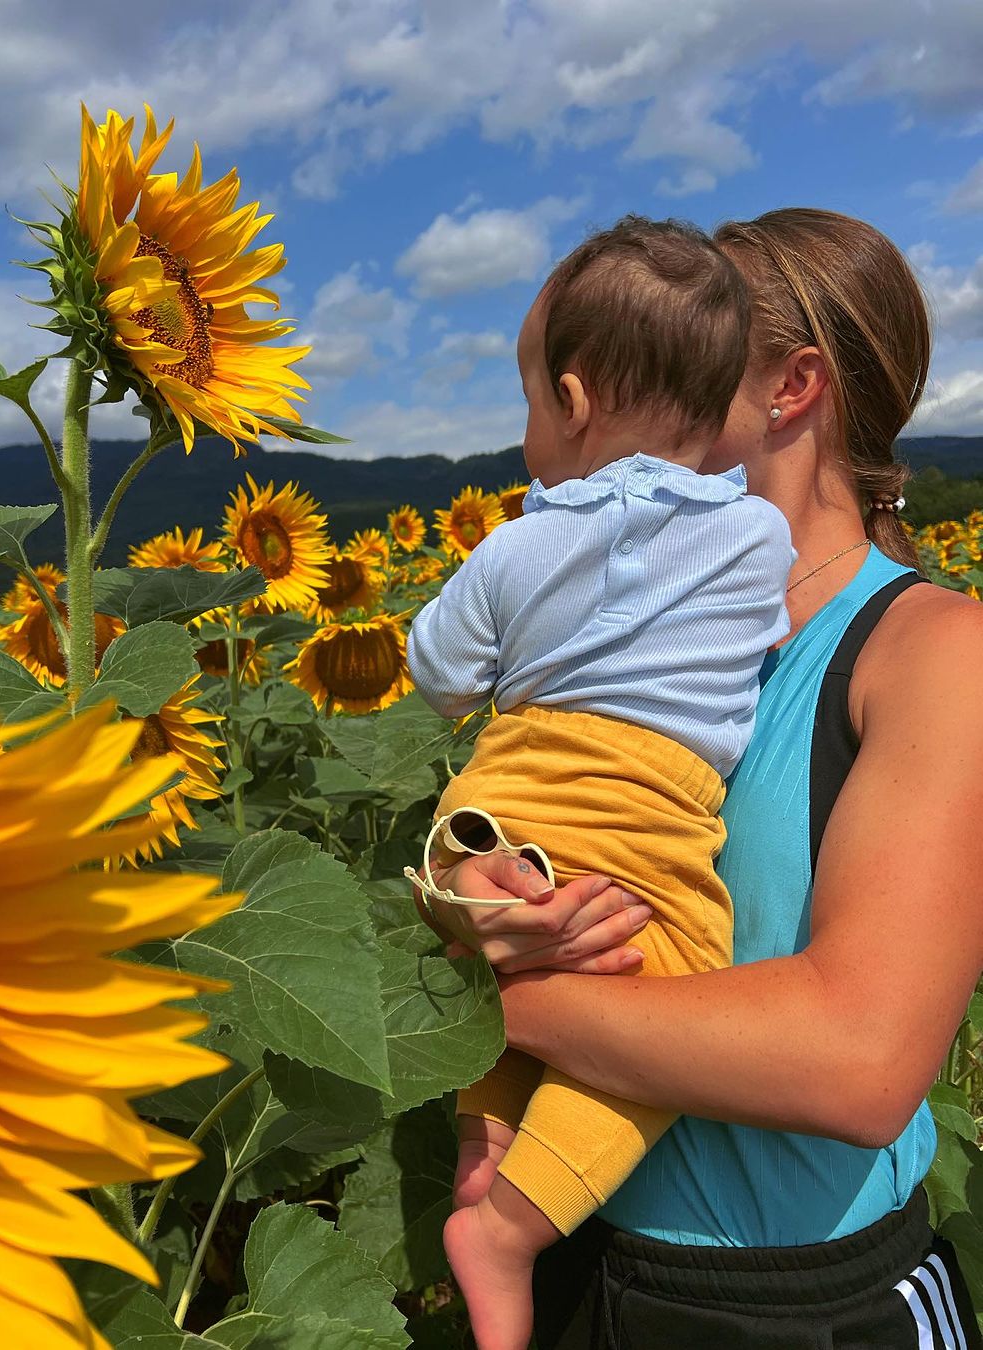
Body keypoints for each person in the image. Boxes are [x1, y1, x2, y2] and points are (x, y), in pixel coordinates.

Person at [416, 208, 983, 1349]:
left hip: (793, 1301)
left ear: (789, 387)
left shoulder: (932, 652)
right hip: (571, 1250)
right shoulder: (603, 631)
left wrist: (487, 1011)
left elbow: (859, 1060)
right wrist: (477, 916)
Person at [406, 215, 793, 1350]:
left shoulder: (513, 547)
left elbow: (437, 676)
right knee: (667, 993)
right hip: (642, 816)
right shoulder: (760, 539)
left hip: (507, 795)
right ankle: (515, 1229)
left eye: (530, 403)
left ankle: (485, 1159)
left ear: (571, 403)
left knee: (502, 963)